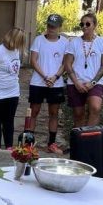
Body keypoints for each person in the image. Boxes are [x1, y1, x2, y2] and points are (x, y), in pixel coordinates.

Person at [28, 13, 68, 154]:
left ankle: (51, 143)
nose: (51, 29)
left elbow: (66, 63)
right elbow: (33, 61)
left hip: (56, 83)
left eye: (54, 26)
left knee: (54, 113)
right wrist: (45, 77)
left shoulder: (65, 42)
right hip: (38, 82)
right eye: (49, 26)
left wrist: (55, 77)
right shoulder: (39, 40)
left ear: (59, 27)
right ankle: (28, 143)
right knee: (34, 111)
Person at [63, 13, 103, 127]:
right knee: (78, 114)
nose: (84, 26)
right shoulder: (74, 42)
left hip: (95, 83)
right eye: (82, 24)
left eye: (88, 24)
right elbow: (67, 64)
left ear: (95, 25)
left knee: (95, 108)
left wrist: (93, 82)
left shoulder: (102, 42)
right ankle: (80, 137)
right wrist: (76, 82)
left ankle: (89, 135)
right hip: (75, 82)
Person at [0, 27, 25, 149]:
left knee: (9, 120)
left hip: (13, 91)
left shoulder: (16, 50)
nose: (18, 46)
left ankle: (8, 146)